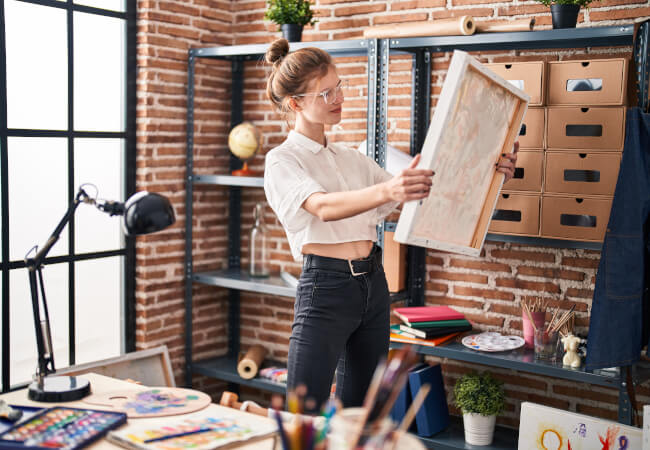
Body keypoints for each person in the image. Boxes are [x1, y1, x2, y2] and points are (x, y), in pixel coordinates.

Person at [263, 38, 518, 412]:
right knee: (306, 411)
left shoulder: (351, 157)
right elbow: (322, 207)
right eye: (326, 93)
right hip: (325, 288)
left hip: (372, 284)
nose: (339, 98)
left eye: (340, 87)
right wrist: (389, 188)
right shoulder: (282, 160)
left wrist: (493, 174)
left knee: (363, 410)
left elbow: (422, 191)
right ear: (295, 103)